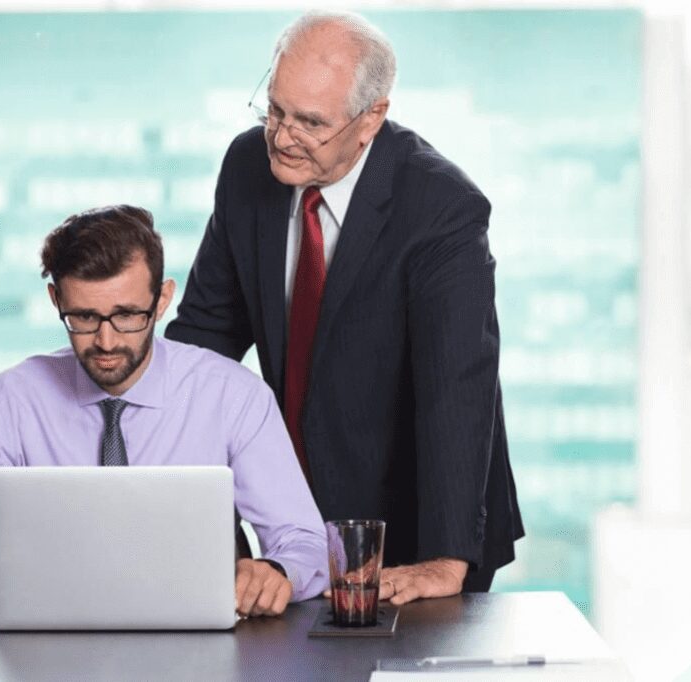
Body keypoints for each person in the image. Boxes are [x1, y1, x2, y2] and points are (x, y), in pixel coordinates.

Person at [165, 11, 523, 605]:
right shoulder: (247, 168)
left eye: (309, 123)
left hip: (417, 517)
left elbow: (457, 385)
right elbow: (205, 337)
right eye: (275, 110)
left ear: (371, 119)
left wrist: (446, 557)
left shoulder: (440, 206)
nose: (282, 136)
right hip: (296, 513)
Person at [0, 205, 328, 617]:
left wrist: (276, 570)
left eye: (128, 315)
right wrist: (17, 579)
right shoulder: (12, 400)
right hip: (48, 647)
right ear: (55, 299)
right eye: (83, 317)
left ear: (163, 299)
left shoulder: (233, 396)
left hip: (199, 646)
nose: (107, 341)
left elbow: (304, 543)